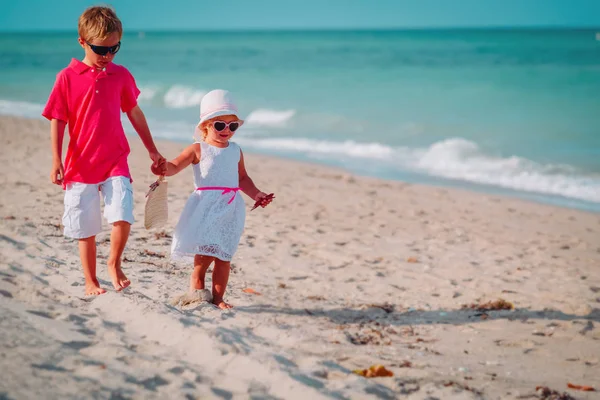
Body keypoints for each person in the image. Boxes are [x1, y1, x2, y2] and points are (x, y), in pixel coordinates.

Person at [42, 6, 166, 295]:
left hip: (115, 159)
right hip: (81, 164)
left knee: (122, 213)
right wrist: (56, 160)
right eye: (102, 50)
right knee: (86, 227)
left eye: (115, 49)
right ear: (83, 42)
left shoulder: (120, 75)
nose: (108, 56)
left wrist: (152, 150)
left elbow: (135, 113)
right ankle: (90, 280)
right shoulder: (66, 78)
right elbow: (58, 121)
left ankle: (114, 263)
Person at [152, 89, 273, 309]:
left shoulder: (235, 150)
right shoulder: (198, 149)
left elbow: (242, 178)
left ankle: (218, 298)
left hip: (230, 208)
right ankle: (197, 289)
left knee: (224, 255)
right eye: (220, 125)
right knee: (205, 255)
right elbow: (174, 166)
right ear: (206, 125)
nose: (226, 130)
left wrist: (256, 193)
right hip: (206, 207)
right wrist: (162, 167)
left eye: (232, 126)